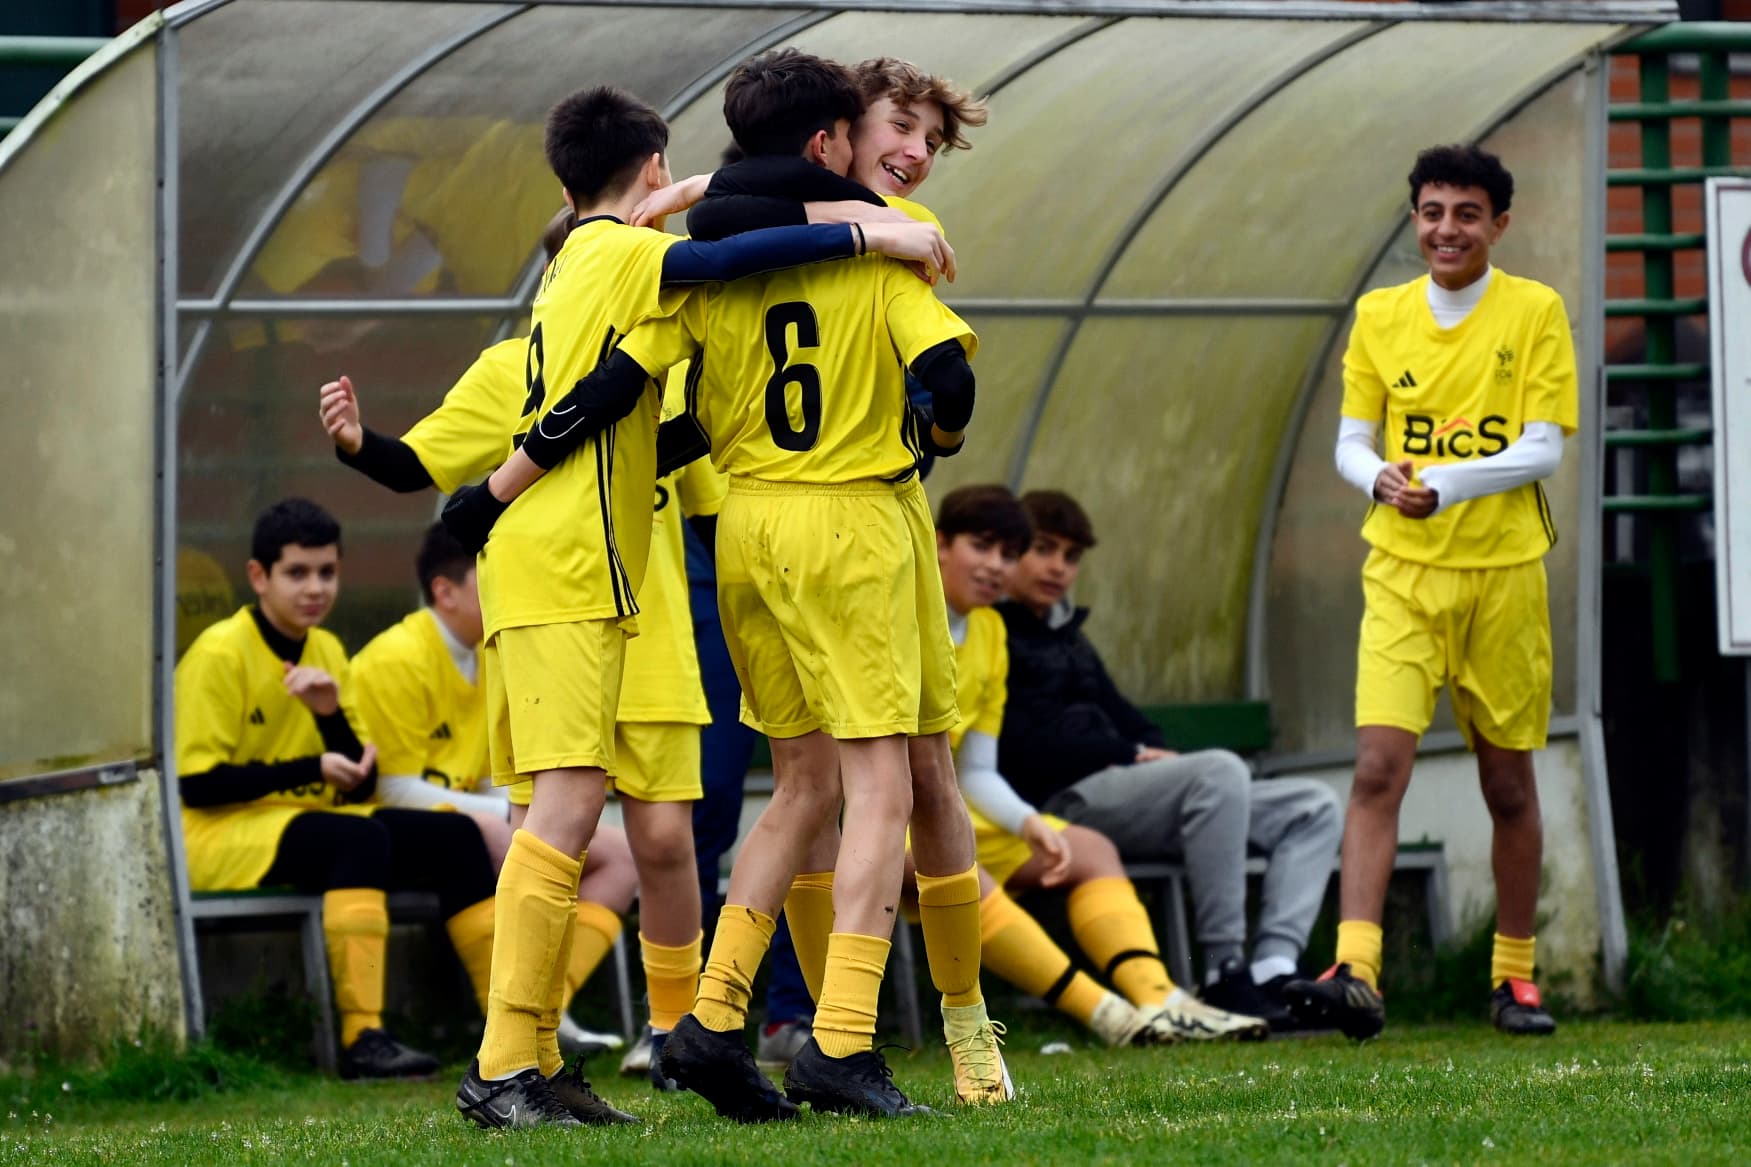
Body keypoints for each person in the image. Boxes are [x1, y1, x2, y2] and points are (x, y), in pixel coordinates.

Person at [449, 51, 1001, 1120]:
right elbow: (946, 377)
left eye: (930, 140)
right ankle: (844, 1038)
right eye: (893, 128)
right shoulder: (876, 246)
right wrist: (932, 430)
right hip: (848, 521)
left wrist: (492, 492)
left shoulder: (673, 256)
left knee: (801, 787)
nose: (912, 153)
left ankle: (706, 1018)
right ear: (832, 139)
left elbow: (632, 383)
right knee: (885, 783)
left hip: (741, 527)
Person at [1284, 144, 1574, 1041]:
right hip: (1401, 573)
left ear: (1498, 224)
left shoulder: (1534, 309)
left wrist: (1442, 482)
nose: (1446, 229)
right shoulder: (1379, 314)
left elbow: (1542, 446)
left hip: (1502, 575)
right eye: (1431, 212)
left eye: (1465, 213)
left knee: (1508, 785)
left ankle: (1513, 977)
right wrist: (1376, 477)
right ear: (1414, 218)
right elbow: (1351, 440)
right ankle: (1356, 970)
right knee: (1377, 768)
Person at [174, 499, 499, 1079]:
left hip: (308, 822)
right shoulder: (219, 653)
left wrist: (329, 718)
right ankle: (362, 1037)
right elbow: (198, 786)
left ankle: (511, 1023)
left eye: (327, 572)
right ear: (259, 577)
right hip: (221, 835)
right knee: (357, 839)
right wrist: (311, 767)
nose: (315, 588)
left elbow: (357, 780)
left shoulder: (326, 649)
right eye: (297, 573)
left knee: (454, 834)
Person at [996, 490, 1343, 1033]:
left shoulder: (1069, 637)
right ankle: (1225, 969)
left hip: (1133, 796)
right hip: (1064, 807)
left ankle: (1275, 968)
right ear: (1012, 550)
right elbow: (1026, 746)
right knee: (1219, 771)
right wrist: (1131, 754)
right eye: (1043, 549)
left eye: (1071, 556)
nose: (1058, 567)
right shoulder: (992, 632)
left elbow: (1128, 718)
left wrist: (1148, 752)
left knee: (1313, 806)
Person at [934, 485, 1266, 1044]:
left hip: (961, 811)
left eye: (1008, 553)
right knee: (958, 868)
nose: (995, 566)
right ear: (940, 544)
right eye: (981, 546)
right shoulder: (907, 616)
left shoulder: (990, 631)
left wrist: (1028, 822)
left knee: (1090, 850)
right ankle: (1106, 1015)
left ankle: (1161, 1001)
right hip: (892, 818)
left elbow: (975, 769)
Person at [346, 522, 636, 1057]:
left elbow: (487, 774)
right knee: (513, 836)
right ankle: (512, 1015)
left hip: (466, 816)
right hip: (386, 827)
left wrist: (511, 809)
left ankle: (548, 1006)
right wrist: (497, 813)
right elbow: (390, 787)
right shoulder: (395, 658)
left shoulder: (491, 652)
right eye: (491, 578)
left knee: (621, 857)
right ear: (445, 591)